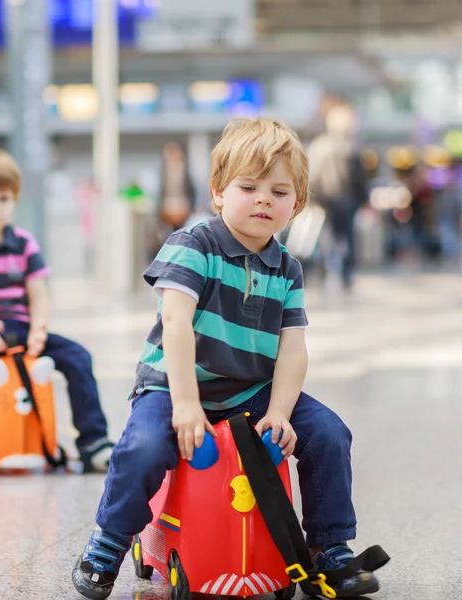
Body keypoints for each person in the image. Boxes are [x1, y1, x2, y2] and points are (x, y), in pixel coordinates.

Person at [72, 118, 380, 599]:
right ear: (218, 192)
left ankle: (329, 548)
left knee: (328, 431)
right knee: (147, 444)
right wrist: (186, 403)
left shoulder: (288, 267)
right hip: (174, 384)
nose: (263, 199)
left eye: (279, 192)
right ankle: (110, 538)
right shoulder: (195, 245)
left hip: (251, 389)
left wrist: (280, 410)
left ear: (296, 205)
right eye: (249, 186)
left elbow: (293, 347)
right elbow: (175, 325)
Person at [0, 147, 114, 480]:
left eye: (3, 199)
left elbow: (39, 295)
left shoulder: (24, 243)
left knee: (77, 355)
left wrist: (39, 328)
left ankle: (93, 441)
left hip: (21, 327)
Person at [307, 104, 368, 289]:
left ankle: (322, 270)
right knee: (347, 237)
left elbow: (313, 175)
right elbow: (359, 178)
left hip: (324, 200)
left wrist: (311, 197)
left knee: (324, 236)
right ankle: (345, 274)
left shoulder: (319, 146)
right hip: (346, 201)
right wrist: (364, 199)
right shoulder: (351, 147)